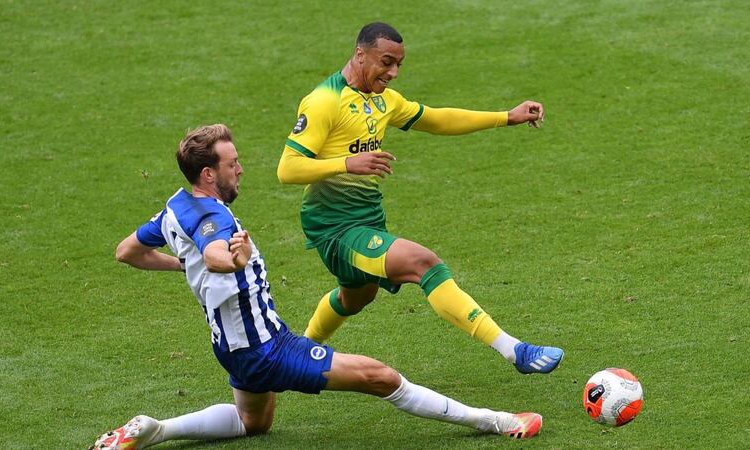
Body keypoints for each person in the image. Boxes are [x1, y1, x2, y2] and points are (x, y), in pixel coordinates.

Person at [90, 124, 543, 449]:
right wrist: (229, 261)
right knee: (379, 376)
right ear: (209, 174)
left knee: (254, 425)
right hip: (266, 348)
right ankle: (497, 422)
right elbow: (214, 253)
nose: (241, 170)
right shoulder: (214, 216)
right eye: (232, 164)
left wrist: (184, 267)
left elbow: (126, 251)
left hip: (230, 345)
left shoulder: (173, 207)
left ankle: (156, 428)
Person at [277, 22, 563, 375]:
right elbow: (287, 169)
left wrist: (507, 117)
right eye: (386, 62)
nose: (393, 73)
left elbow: (436, 119)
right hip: (335, 229)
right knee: (423, 262)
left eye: (398, 64)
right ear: (360, 54)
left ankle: (300, 350)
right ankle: (514, 350)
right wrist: (347, 163)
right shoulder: (325, 101)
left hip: (366, 219)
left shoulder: (382, 101)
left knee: (357, 296)